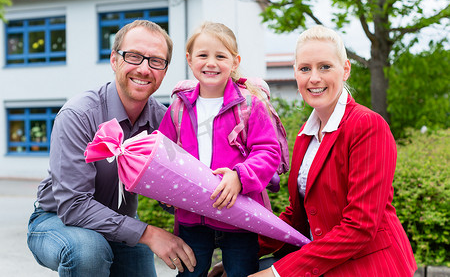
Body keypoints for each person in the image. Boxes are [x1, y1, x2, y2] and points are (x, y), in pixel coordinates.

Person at [27, 20, 196, 277]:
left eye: (156, 61)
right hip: (57, 220)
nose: (144, 69)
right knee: (89, 251)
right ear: (114, 60)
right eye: (134, 56)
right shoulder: (79, 114)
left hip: (120, 223)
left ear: (164, 70)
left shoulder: (165, 122)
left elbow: (177, 189)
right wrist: (149, 234)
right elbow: (74, 205)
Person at [248, 25, 418, 276]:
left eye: (325, 67)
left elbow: (359, 227)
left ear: (345, 69)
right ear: (296, 73)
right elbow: (297, 215)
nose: (314, 77)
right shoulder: (306, 132)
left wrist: (277, 273)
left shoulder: (368, 125)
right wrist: (241, 255)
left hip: (370, 267)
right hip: (325, 264)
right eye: (305, 68)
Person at [158, 21, 281, 277]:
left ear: (235, 62)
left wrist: (239, 176)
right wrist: (163, 190)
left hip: (240, 215)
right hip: (192, 217)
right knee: (190, 273)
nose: (211, 63)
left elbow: (268, 152)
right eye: (203, 55)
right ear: (190, 60)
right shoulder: (178, 108)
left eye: (220, 56)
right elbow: (163, 155)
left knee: (240, 273)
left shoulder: (249, 105)